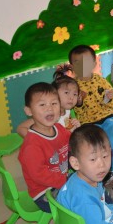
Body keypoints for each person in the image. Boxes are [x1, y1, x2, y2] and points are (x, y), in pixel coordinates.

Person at [69, 44, 113, 192]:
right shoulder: (73, 86)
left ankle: (111, 171)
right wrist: (78, 102)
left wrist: (108, 99)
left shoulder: (100, 80)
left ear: (94, 63)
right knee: (94, 144)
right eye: (77, 63)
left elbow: (112, 101)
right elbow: (74, 108)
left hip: (107, 117)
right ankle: (98, 173)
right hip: (88, 123)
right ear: (72, 66)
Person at [17, 82, 70, 213]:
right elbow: (39, 175)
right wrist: (67, 181)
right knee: (82, 202)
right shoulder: (32, 145)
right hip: (45, 192)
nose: (49, 108)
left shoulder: (59, 128)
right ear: (29, 111)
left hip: (62, 180)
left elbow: (73, 144)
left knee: (92, 187)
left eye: (54, 103)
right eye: (42, 105)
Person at [16, 65, 81, 138]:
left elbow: (65, 132)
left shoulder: (69, 111)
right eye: (66, 92)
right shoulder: (49, 114)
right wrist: (37, 141)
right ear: (54, 94)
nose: (71, 98)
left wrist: (75, 128)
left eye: (75, 94)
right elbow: (21, 128)